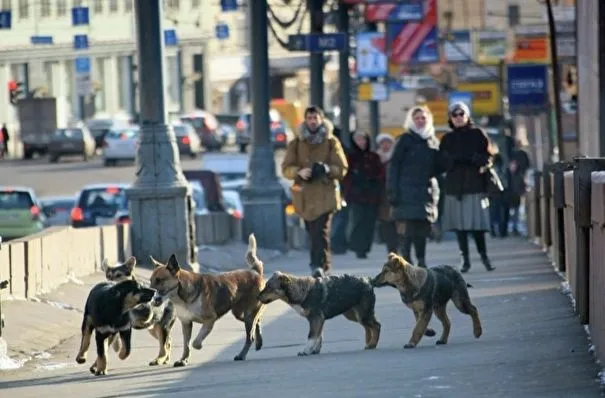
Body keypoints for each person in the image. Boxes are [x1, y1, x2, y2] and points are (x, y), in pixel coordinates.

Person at [282, 106, 348, 277]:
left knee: (321, 231)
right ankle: (321, 265)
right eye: (309, 118)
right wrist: (299, 171)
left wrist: (326, 168)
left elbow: (342, 168)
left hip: (326, 195)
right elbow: (286, 168)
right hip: (304, 197)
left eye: (315, 118)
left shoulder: (331, 141)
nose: (312, 121)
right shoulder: (296, 143)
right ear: (305, 120)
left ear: (321, 119)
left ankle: (319, 266)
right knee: (312, 233)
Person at [439, 102, 495, 273]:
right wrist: (453, 160)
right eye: (454, 115)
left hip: (475, 185)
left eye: (461, 113)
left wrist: (475, 159)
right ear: (450, 118)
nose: (458, 117)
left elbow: (489, 157)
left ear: (467, 115)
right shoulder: (447, 138)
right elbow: (442, 161)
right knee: (460, 227)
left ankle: (484, 256)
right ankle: (465, 259)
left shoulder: (478, 134)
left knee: (477, 226)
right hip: (455, 187)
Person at [387, 106, 440, 268]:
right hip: (405, 191)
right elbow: (394, 166)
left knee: (422, 229)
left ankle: (422, 259)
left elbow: (439, 168)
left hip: (425, 191)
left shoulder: (432, 140)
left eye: (423, 118)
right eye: (417, 118)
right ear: (411, 120)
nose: (420, 121)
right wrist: (392, 192)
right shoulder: (404, 139)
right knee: (408, 230)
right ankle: (407, 259)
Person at [342, 131, 384, 259]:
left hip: (372, 195)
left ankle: (365, 247)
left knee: (369, 222)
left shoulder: (374, 157)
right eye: (358, 139)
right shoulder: (350, 157)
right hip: (356, 196)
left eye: (363, 139)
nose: (362, 142)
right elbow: (346, 177)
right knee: (358, 221)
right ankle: (358, 247)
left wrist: (374, 184)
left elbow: (380, 174)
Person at [375, 133, 398, 253]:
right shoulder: (376, 158)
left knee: (397, 221)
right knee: (386, 221)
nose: (385, 145)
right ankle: (391, 248)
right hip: (382, 194)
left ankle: (397, 246)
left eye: (388, 142)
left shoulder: (396, 157)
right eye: (383, 143)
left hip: (396, 192)